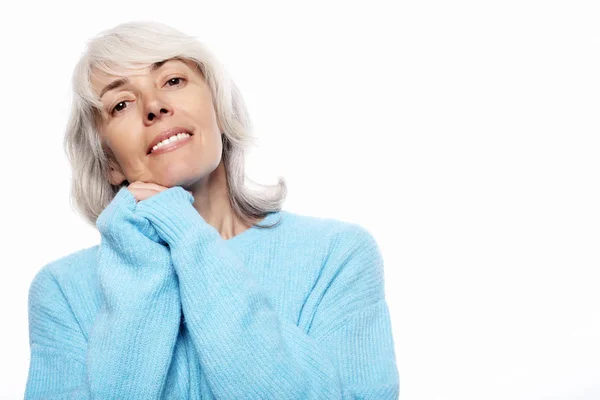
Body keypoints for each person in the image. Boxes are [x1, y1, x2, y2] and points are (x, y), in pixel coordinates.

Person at [25, 20, 399, 399]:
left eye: (173, 80)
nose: (154, 106)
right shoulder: (63, 291)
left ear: (218, 108)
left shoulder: (336, 256)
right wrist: (139, 257)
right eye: (120, 104)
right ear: (109, 162)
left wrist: (187, 234)